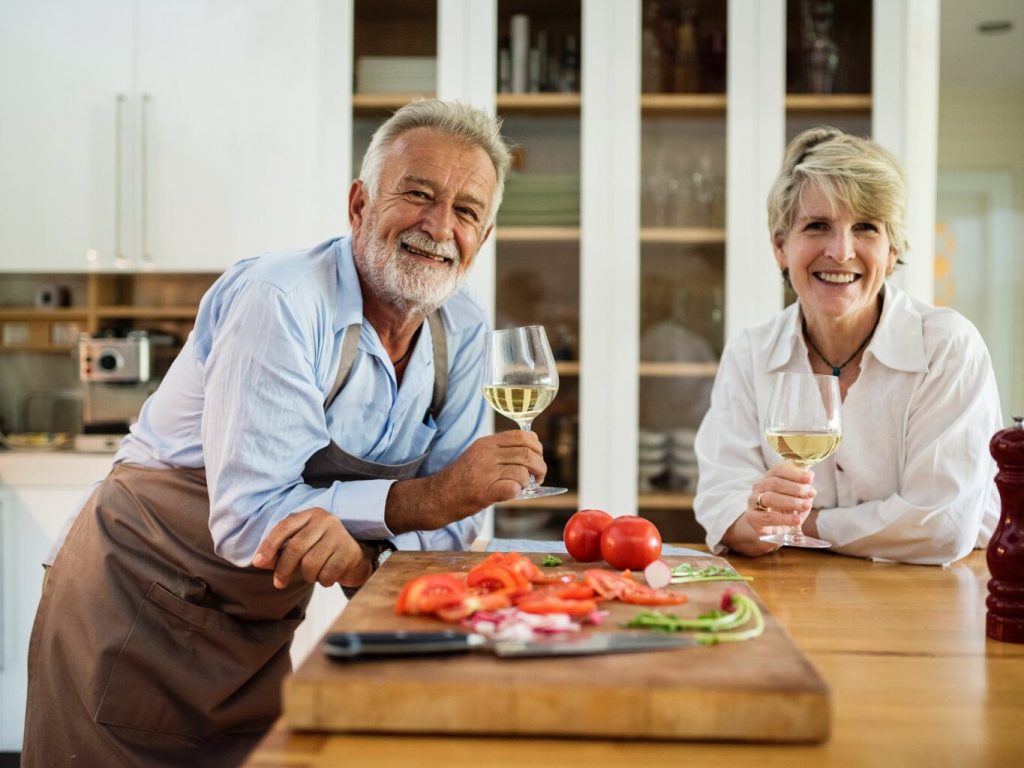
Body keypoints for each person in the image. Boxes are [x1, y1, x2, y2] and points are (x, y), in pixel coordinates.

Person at [23, 100, 545, 767]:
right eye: (417, 194)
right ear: (358, 204)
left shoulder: (463, 328)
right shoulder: (282, 299)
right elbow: (251, 519)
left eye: (467, 211)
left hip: (257, 626)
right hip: (136, 602)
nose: (439, 226)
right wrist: (426, 502)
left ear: (484, 236)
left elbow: (451, 531)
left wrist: (372, 555)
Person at [693, 126, 1002, 565]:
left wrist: (797, 524)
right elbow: (721, 505)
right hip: (793, 594)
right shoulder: (751, 353)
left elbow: (941, 526)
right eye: (817, 226)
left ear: (892, 252)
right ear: (781, 247)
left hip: (935, 599)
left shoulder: (946, 348)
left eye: (865, 228)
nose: (841, 251)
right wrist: (756, 520)